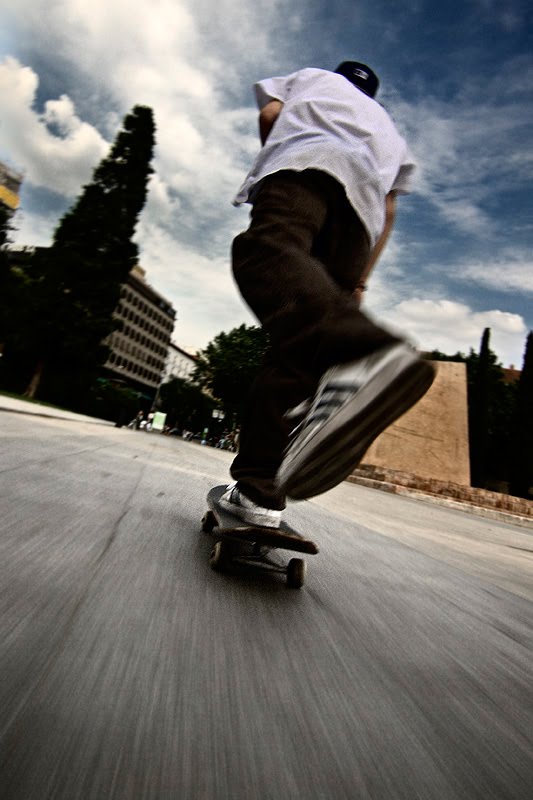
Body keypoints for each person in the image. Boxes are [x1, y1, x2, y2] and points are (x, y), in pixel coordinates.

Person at [219, 61, 435, 528]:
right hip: (362, 218)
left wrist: (276, 162)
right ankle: (261, 493)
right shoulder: (388, 129)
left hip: (306, 168)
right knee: (300, 352)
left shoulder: (312, 77)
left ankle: (364, 349)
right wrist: (358, 284)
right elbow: (390, 209)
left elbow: (270, 116)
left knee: (266, 252)